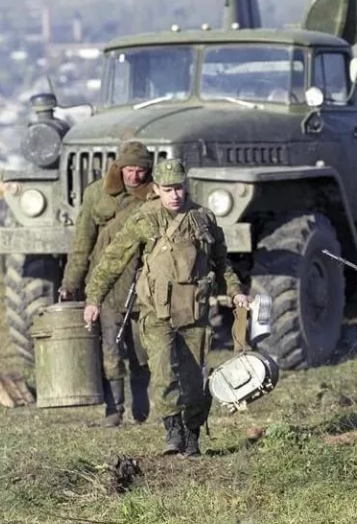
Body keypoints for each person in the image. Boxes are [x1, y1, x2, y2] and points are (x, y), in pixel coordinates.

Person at [83, 159, 251, 457]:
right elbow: (113, 259)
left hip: (195, 313)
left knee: (194, 381)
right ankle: (172, 430)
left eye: (179, 188)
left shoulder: (204, 218)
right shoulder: (144, 218)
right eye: (168, 189)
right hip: (157, 312)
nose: (175, 195)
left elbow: (222, 262)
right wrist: (94, 299)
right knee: (162, 374)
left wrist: (236, 291)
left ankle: (192, 434)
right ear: (157, 189)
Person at [59, 140, 154, 427]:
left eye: (140, 170)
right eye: (129, 169)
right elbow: (81, 244)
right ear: (119, 167)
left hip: (142, 286)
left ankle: (141, 405)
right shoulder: (96, 194)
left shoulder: (154, 197)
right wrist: (70, 283)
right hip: (107, 285)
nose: (134, 176)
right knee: (110, 352)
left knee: (141, 352)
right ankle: (113, 411)